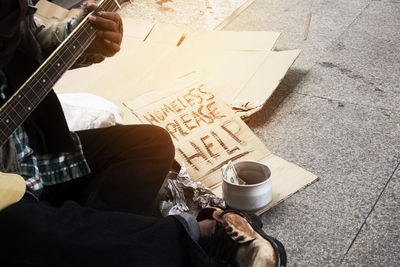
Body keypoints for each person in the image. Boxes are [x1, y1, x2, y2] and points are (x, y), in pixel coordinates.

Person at [0, 0, 287, 266]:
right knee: (21, 228)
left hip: (30, 155)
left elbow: (28, 46)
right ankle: (203, 238)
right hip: (8, 196)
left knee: (151, 144)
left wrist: (80, 37)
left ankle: (93, 240)